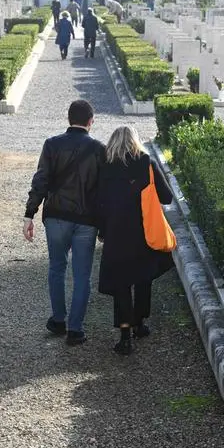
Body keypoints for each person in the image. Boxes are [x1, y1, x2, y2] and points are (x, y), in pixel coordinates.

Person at [24, 100, 106, 346]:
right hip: (86, 219)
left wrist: (29, 214)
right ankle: (75, 329)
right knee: (82, 275)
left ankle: (58, 319)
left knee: (57, 268)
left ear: (68, 119)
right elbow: (103, 191)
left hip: (57, 215)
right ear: (91, 121)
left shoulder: (51, 145)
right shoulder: (99, 150)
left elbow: (41, 181)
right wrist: (105, 224)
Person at [96, 126, 174, 356]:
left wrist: (102, 230)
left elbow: (99, 202)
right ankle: (140, 323)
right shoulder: (146, 163)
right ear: (135, 142)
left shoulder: (106, 166)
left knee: (121, 284)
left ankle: (125, 335)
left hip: (116, 234)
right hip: (143, 232)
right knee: (142, 279)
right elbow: (167, 196)